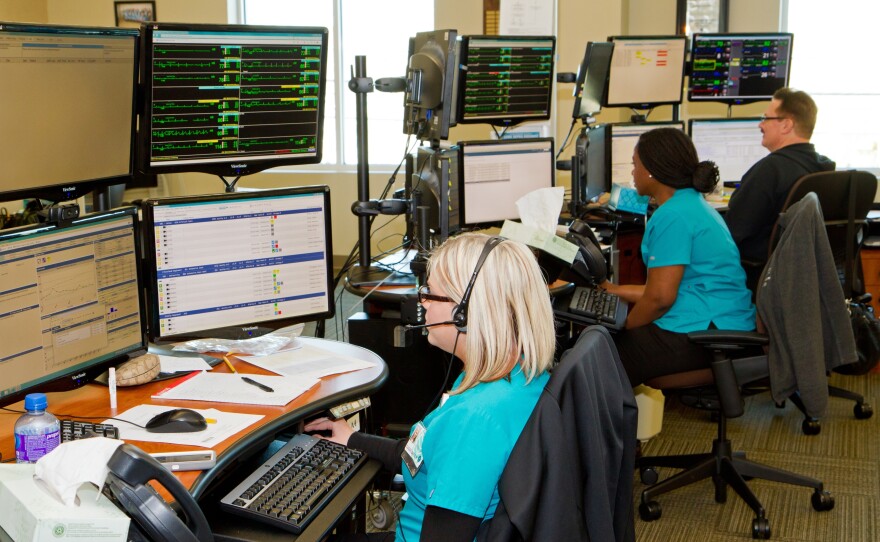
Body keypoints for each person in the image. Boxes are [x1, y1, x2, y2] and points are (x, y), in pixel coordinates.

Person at [305, 233, 556, 541]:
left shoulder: (474, 419)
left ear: (465, 312)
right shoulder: (514, 372)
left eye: (430, 293)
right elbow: (423, 454)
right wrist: (352, 438)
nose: (421, 302)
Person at [599, 127, 756, 387]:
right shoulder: (692, 204)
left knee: (603, 355)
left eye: (635, 164)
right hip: (725, 320)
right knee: (609, 346)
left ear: (651, 170)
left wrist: (626, 326)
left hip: (710, 333)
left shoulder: (672, 216)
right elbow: (667, 288)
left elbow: (660, 298)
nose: (632, 173)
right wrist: (614, 290)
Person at [725, 88, 835, 288]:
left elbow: (732, 232)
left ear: (786, 125)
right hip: (803, 279)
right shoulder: (824, 170)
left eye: (766, 118)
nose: (760, 124)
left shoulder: (770, 170)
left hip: (764, 278)